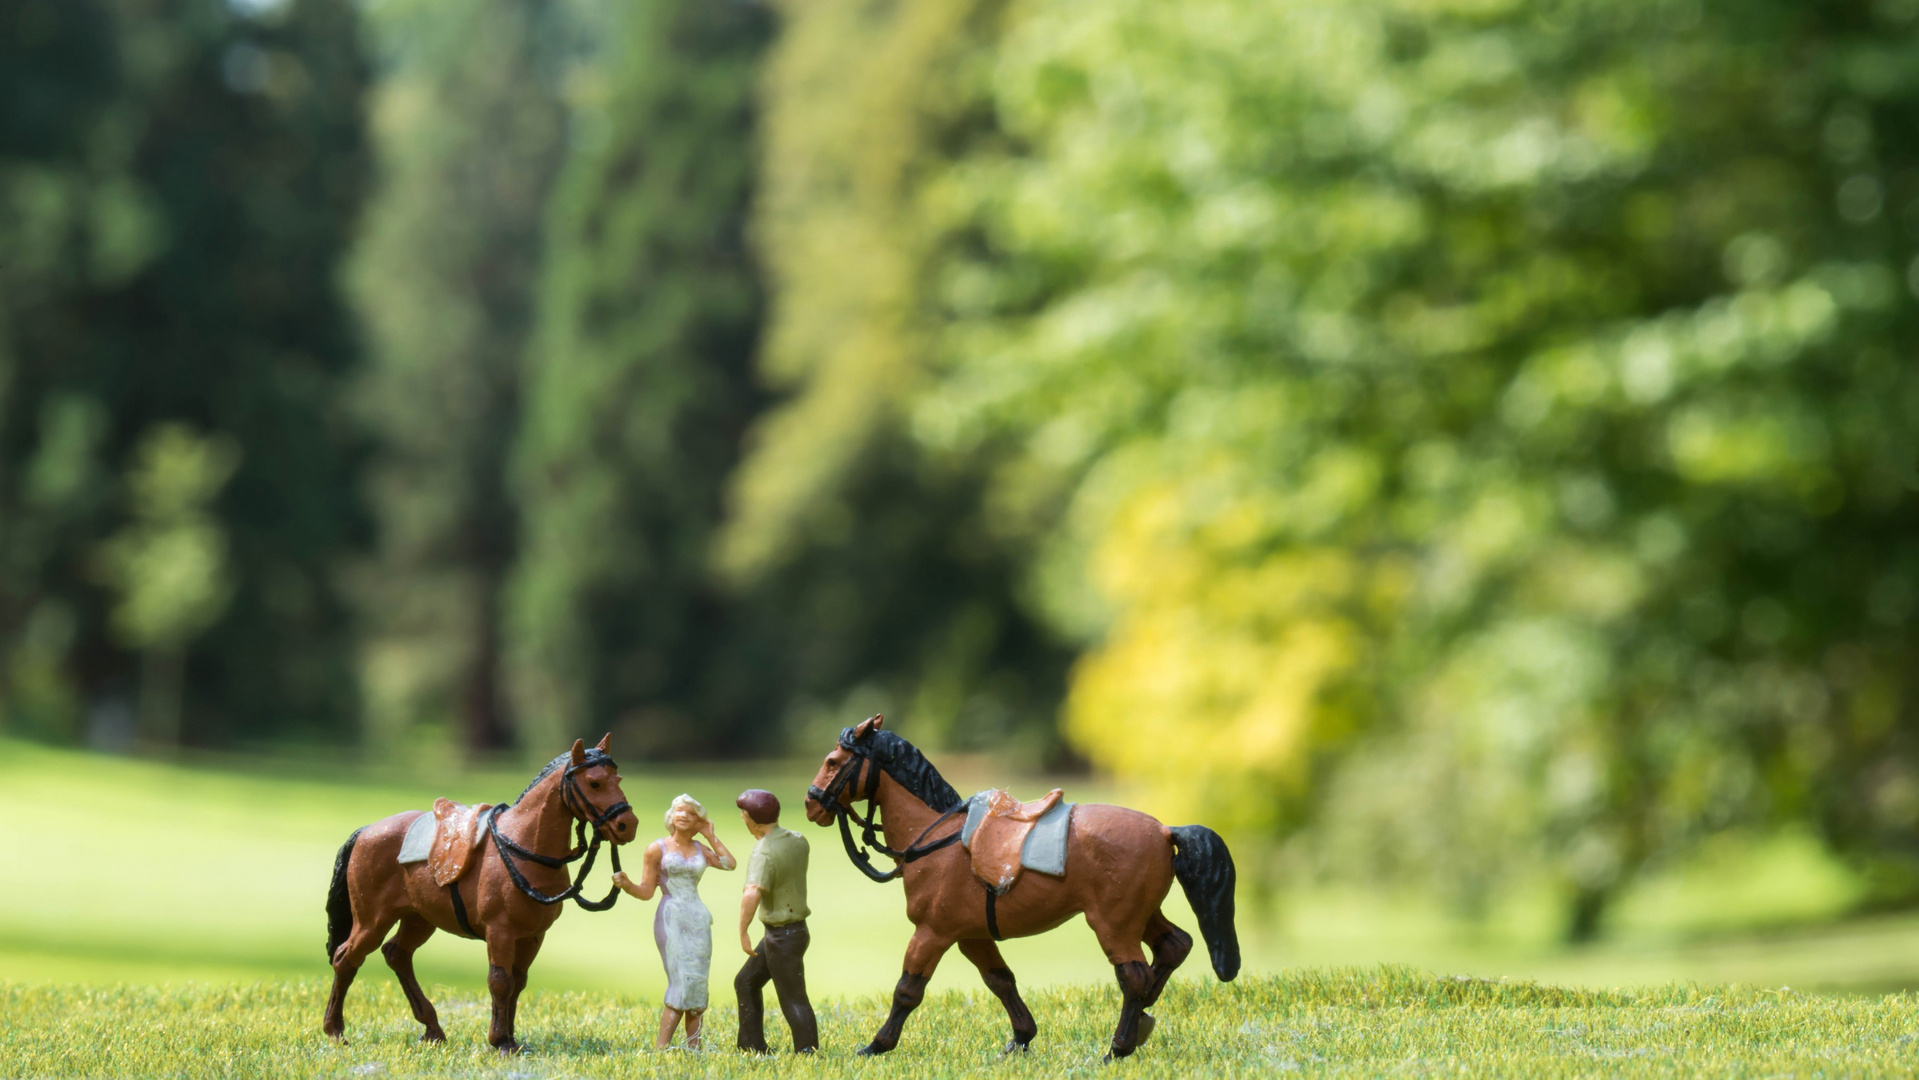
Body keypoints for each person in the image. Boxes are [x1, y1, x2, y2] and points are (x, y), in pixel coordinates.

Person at [612, 793, 735, 1049]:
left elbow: (729, 864)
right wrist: (627, 885)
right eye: (679, 811)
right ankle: (662, 1046)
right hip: (672, 916)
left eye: (690, 814)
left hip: (697, 917)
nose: (683, 816)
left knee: (698, 980)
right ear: (671, 816)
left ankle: (694, 1045)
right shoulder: (658, 848)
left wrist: (710, 835)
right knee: (680, 980)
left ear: (697, 821)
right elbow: (647, 890)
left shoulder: (701, 849)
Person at [732, 789, 818, 1054]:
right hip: (789, 932)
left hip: (783, 935)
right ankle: (751, 1044)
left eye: (743, 816)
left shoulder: (764, 852)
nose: (743, 820)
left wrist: (743, 929)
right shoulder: (798, 840)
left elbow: (752, 892)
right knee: (745, 981)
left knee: (793, 997)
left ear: (751, 819)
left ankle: (808, 1051)